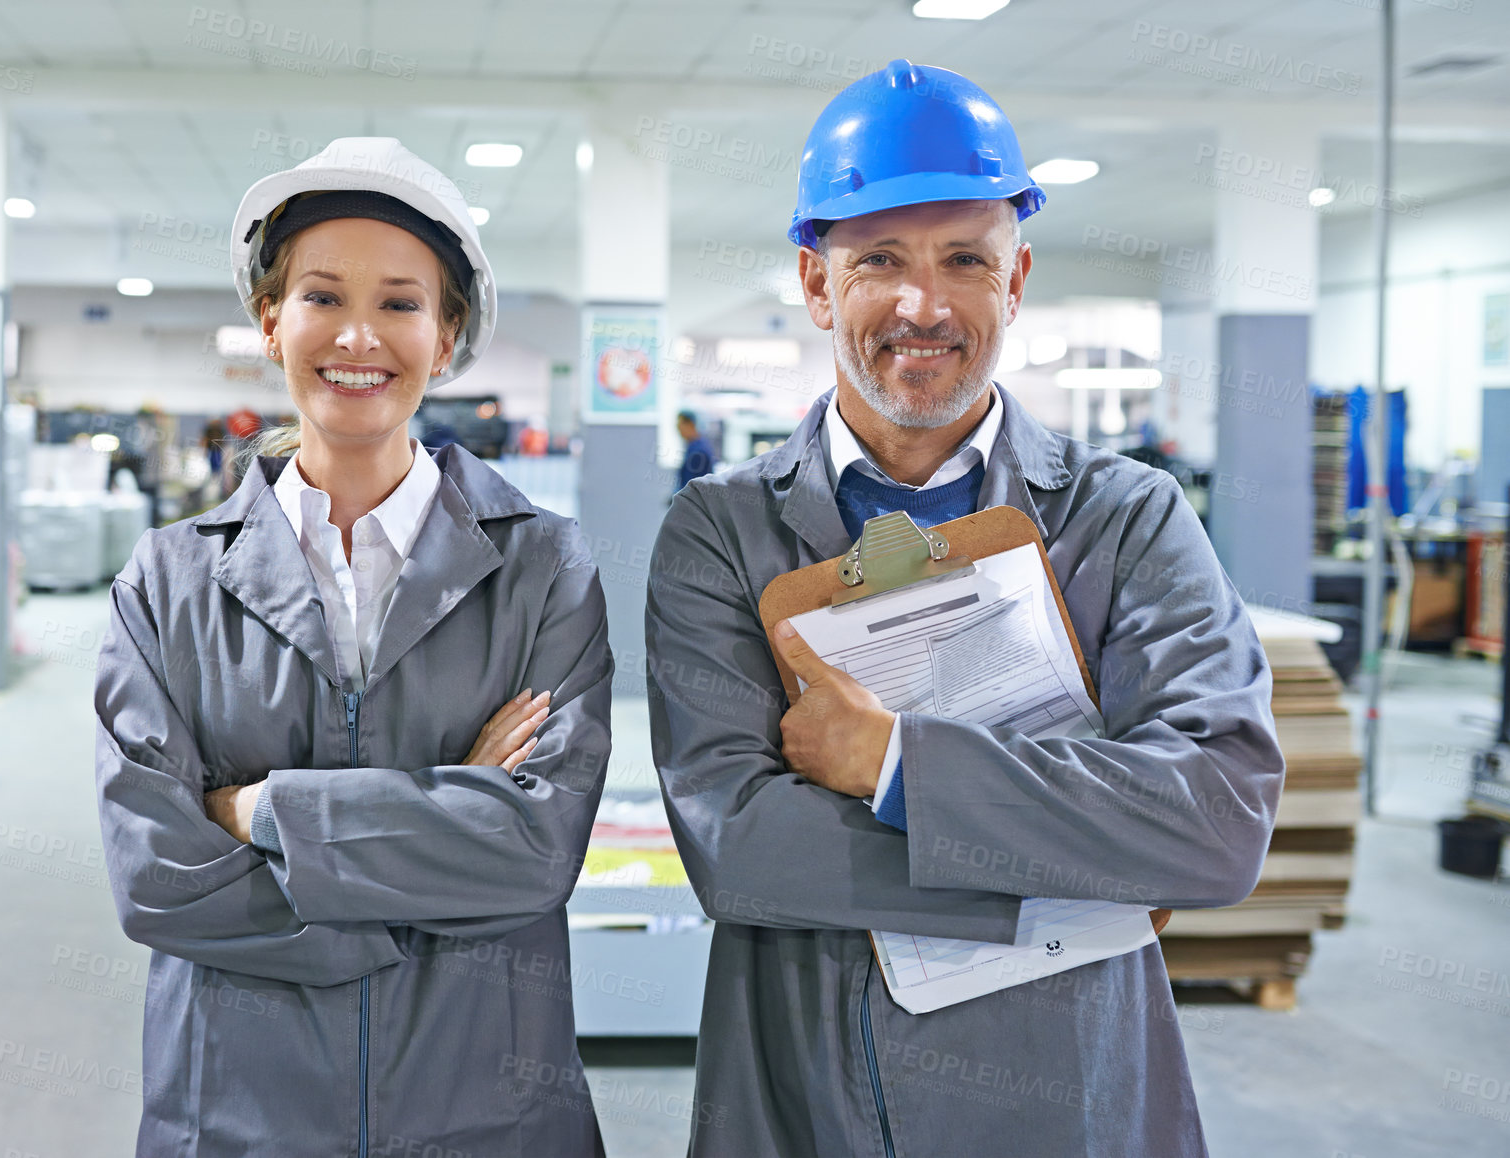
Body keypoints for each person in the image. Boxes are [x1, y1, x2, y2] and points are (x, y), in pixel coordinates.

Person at [645, 61, 1284, 1157]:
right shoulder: (722, 531)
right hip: (808, 1084)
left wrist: (897, 767)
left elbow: (1216, 820)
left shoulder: (1126, 518)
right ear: (814, 282)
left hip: (1071, 1080)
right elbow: (743, 853)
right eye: (877, 261)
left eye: (963, 261)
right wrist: (1090, 873)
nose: (921, 305)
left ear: (1016, 278)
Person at [94, 137, 612, 1157]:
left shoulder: (545, 568)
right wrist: (440, 832)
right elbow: (157, 877)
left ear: (448, 330)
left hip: (484, 1105)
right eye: (322, 296)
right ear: (269, 319)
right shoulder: (164, 584)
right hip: (239, 1111)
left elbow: (532, 852)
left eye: (403, 303)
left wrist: (257, 810)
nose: (358, 335)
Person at [675, 409, 716, 491]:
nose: (679, 430)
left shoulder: (698, 451)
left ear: (690, 424)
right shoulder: (693, 447)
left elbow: (691, 484)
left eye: (680, 426)